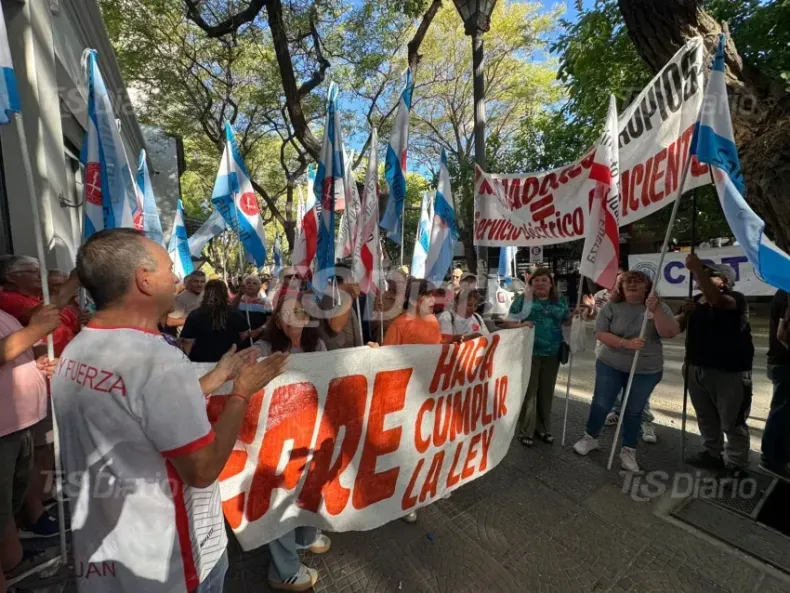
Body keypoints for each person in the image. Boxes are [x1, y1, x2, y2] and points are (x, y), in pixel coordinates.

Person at [53, 228, 288, 593]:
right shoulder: (157, 359)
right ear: (144, 280)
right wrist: (241, 393)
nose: (177, 279)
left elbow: (139, 411)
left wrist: (216, 377)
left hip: (106, 554)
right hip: (172, 563)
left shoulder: (77, 347)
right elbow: (203, 469)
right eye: (168, 269)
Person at [255, 291, 329, 591]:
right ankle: (283, 569)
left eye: (300, 311)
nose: (294, 317)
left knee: (311, 487)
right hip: (277, 438)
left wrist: (371, 356)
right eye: (286, 312)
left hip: (312, 431)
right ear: (277, 320)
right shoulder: (263, 348)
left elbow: (337, 373)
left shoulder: (318, 345)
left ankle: (305, 537)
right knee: (280, 499)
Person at [573, 271, 680, 472]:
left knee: (634, 410)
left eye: (638, 281)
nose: (632, 284)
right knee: (601, 403)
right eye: (627, 281)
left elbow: (670, 332)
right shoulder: (611, 306)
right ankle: (590, 437)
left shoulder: (659, 306)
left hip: (646, 369)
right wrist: (626, 343)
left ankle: (628, 450)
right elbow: (600, 333)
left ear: (647, 287)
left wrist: (656, 309)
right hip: (610, 364)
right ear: (620, 287)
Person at [0, 305, 61, 588]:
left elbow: (16, 351)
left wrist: (38, 360)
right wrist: (36, 329)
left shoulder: (5, 314)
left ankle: (11, 563)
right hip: (4, 431)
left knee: (11, 501)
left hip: (18, 424)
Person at [678, 255, 754, 474]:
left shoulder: (735, 298)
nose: (701, 277)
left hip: (729, 371)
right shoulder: (695, 301)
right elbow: (677, 327)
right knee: (705, 416)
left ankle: (737, 464)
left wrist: (697, 269)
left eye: (710, 274)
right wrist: (684, 312)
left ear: (724, 281)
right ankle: (711, 453)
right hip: (696, 367)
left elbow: (716, 300)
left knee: (732, 421)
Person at [383, 279, 441, 523]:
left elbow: (437, 353)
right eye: (428, 296)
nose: (433, 301)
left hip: (427, 395)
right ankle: (402, 499)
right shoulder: (399, 324)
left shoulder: (433, 321)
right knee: (405, 449)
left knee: (422, 445)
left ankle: (416, 489)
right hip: (404, 398)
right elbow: (386, 361)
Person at [503, 268, 569, 446]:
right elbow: (508, 323)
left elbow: (567, 320)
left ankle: (544, 428)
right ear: (531, 284)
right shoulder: (522, 301)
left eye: (544, 280)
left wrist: (583, 314)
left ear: (551, 284)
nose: (540, 283)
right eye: (536, 280)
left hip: (553, 353)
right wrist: (521, 324)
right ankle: (526, 430)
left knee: (546, 392)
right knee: (530, 392)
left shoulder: (560, 300)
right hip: (529, 352)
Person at [0, 255, 80, 356]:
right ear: (11, 277)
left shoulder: (38, 298)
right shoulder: (6, 299)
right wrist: (75, 279)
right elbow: (42, 314)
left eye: (42, 271)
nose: (42, 275)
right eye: (35, 271)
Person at [181, 279, 254, 362]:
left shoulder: (195, 314)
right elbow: (244, 334)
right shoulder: (234, 312)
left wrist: (184, 361)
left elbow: (188, 341)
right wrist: (233, 343)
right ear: (225, 293)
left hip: (201, 360)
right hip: (228, 359)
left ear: (205, 293)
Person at [763, 290, 790, 481]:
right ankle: (772, 458)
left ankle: (779, 457)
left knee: (784, 411)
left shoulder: (783, 290)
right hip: (785, 362)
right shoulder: (787, 292)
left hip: (780, 362)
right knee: (782, 412)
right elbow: (783, 334)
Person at [315, 264, 363, 351]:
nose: (355, 282)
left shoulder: (341, 296)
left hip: (350, 350)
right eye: (353, 278)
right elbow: (336, 327)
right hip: (339, 353)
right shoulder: (330, 297)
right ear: (347, 279)